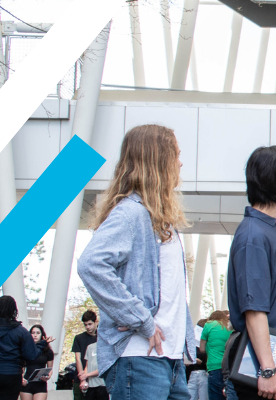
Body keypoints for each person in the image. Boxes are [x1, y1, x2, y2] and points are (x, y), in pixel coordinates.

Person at [76, 124, 200, 400]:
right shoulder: (131, 214)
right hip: (138, 358)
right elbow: (90, 264)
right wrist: (138, 317)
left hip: (170, 360)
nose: (180, 163)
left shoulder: (160, 220)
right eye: (176, 155)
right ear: (158, 160)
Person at [226, 145, 276, 400]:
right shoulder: (254, 235)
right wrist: (268, 368)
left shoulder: (266, 230)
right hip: (262, 360)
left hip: (275, 353)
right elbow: (254, 309)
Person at [19, 325, 57, 400]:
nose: (35, 335)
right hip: (27, 382)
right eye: (33, 333)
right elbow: (21, 368)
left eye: (38, 333)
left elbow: (50, 369)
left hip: (41, 383)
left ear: (42, 335)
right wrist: (21, 378)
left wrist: (48, 376)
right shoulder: (25, 350)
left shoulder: (48, 351)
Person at [202, 310, 232, 400]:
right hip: (229, 367)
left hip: (214, 366)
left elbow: (202, 349)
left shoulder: (209, 324)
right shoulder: (229, 326)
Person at [70, 310, 98, 400]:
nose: (87, 327)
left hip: (98, 379)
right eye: (85, 325)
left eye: (90, 324)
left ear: (95, 322)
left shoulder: (102, 337)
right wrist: (82, 378)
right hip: (81, 377)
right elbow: (78, 359)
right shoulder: (79, 338)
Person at [188, 318, 210, 400]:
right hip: (192, 373)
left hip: (203, 373)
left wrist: (201, 363)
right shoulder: (192, 344)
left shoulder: (208, 344)